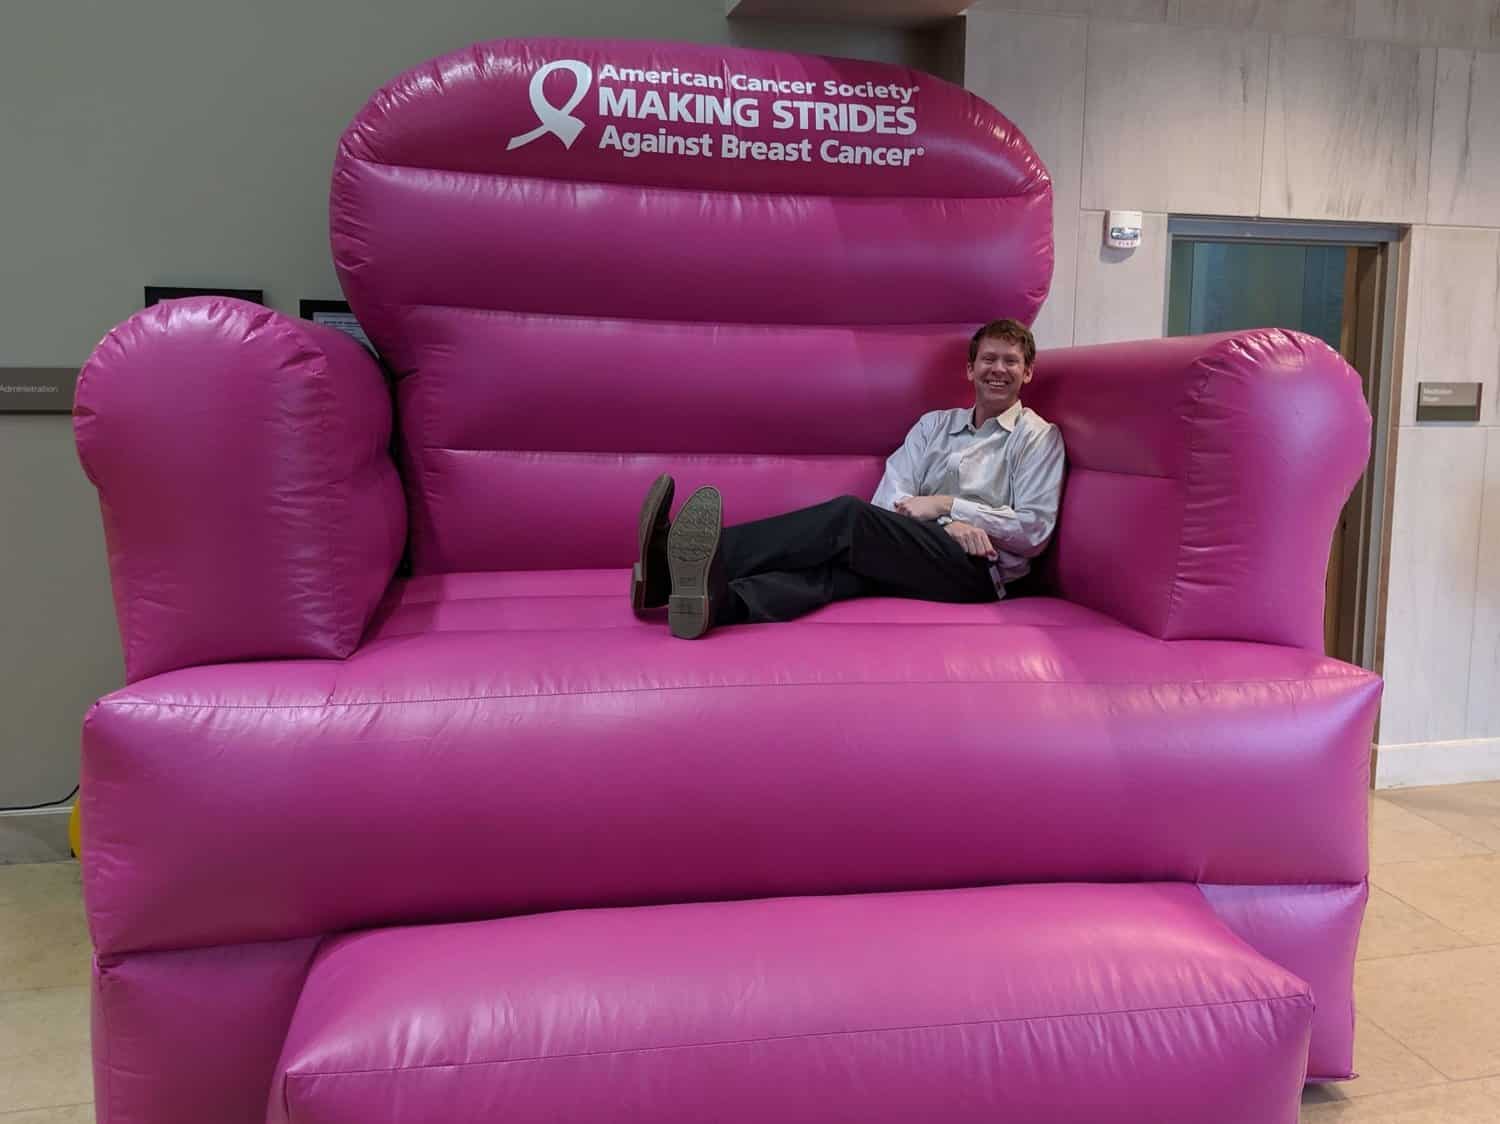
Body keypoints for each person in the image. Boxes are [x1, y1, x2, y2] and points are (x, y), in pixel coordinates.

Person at [630, 318, 1066, 639]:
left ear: (1027, 373)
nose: (999, 369)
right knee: (834, 575)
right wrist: (948, 527)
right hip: (924, 548)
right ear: (970, 370)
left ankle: (673, 561)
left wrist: (948, 505)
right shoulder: (935, 425)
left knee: (847, 517)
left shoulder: (1037, 438)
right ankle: (716, 602)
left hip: (980, 573)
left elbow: (1034, 531)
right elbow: (890, 497)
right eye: (989, 358)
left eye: (1011, 361)